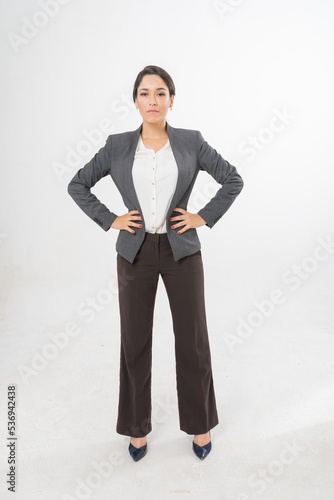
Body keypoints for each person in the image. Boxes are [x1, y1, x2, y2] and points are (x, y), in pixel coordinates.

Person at [68, 65, 244, 462]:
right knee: (134, 341)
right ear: (135, 101)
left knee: (193, 340)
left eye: (160, 93)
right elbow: (77, 184)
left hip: (183, 251)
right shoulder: (116, 146)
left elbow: (232, 179)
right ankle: (136, 429)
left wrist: (202, 216)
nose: (153, 100)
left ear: (171, 100)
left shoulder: (191, 142)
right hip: (135, 253)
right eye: (145, 93)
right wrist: (110, 218)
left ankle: (200, 424)